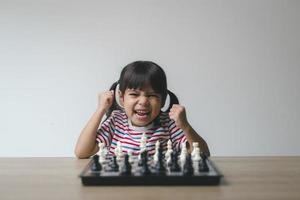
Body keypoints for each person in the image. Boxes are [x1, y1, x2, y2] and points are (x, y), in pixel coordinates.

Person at [74, 61, 210, 159]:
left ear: (162, 100)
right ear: (121, 98)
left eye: (152, 95)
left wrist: (185, 126)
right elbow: (82, 152)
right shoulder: (116, 121)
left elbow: (203, 154)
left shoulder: (168, 123)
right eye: (134, 94)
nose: (143, 101)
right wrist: (101, 110)